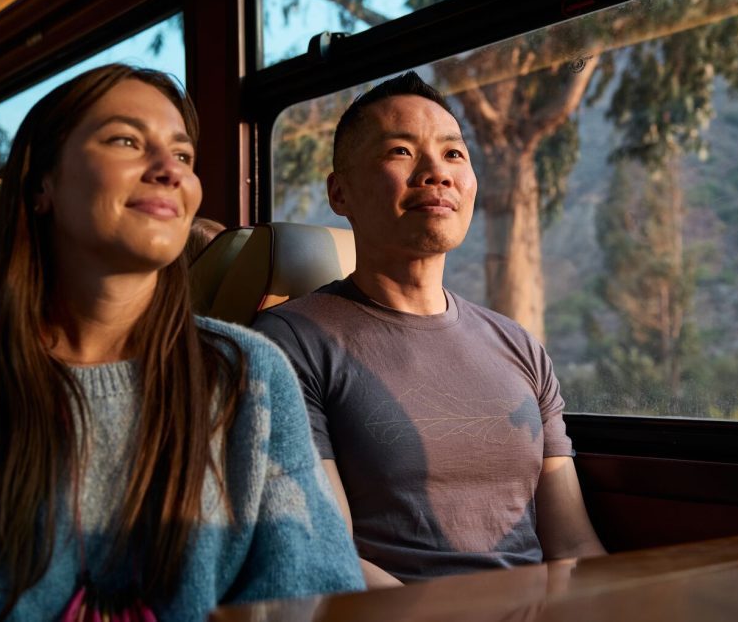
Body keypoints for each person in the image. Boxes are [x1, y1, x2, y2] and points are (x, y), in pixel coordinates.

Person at [0, 64, 363, 620]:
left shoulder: (247, 374)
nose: (170, 170)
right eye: (126, 140)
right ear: (42, 184)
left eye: (185, 155)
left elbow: (308, 591)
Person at [254, 72, 605, 588]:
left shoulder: (519, 347)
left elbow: (574, 546)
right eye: (400, 151)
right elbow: (327, 556)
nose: (436, 173)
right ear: (340, 191)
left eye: (454, 154)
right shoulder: (288, 342)